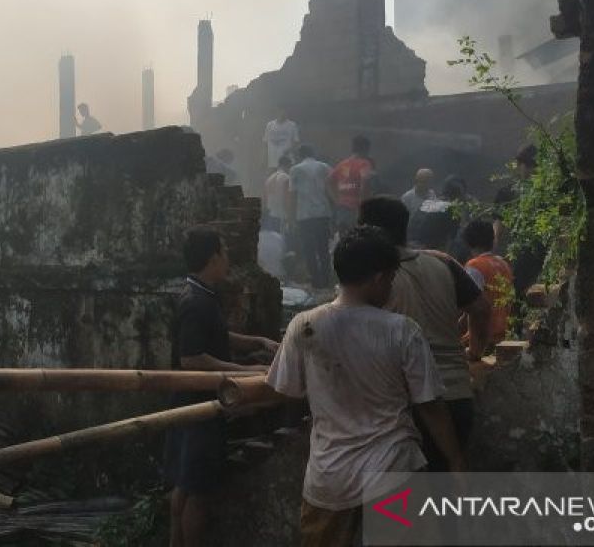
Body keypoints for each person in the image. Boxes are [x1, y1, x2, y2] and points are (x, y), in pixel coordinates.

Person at [267, 226, 466, 547]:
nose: (390, 287)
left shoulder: (304, 326)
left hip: (329, 474)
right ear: (377, 278)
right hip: (393, 471)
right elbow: (430, 406)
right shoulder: (402, 331)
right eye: (389, 279)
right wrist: (455, 460)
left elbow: (285, 391)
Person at [358, 196, 491, 471]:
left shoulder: (372, 278)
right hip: (457, 395)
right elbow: (480, 308)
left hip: (405, 405)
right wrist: (475, 352)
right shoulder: (443, 262)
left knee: (404, 506)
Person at [165, 228, 277, 547]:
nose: (228, 259)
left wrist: (256, 342)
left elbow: (217, 337)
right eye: (225, 253)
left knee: (184, 487)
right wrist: (246, 372)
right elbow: (192, 359)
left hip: (188, 404)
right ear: (213, 258)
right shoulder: (196, 301)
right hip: (198, 407)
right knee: (198, 494)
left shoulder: (200, 294)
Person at [493, 144, 545, 295]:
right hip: (520, 249)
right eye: (528, 165)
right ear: (520, 165)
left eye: (534, 166)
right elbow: (499, 220)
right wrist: (494, 239)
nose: (531, 170)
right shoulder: (508, 192)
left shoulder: (548, 191)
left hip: (542, 248)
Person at [462, 219, 515, 351]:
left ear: (468, 243)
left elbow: (474, 308)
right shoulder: (503, 264)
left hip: (481, 340)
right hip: (504, 335)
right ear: (492, 241)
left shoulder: (474, 266)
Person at [288, 146, 334, 289]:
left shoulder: (295, 170)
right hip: (323, 213)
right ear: (313, 153)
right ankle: (326, 281)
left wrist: (291, 218)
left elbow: (292, 195)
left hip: (304, 215)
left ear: (300, 155)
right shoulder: (325, 167)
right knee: (323, 249)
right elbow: (331, 191)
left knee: (309, 250)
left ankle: (316, 281)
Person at [328, 136, 374, 233]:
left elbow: (328, 182)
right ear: (365, 149)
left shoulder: (342, 164)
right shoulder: (364, 164)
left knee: (344, 239)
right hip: (356, 207)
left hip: (342, 208)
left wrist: (336, 199)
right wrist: (362, 206)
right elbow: (365, 182)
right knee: (358, 239)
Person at [263, 156, 292, 233]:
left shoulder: (269, 178)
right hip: (282, 215)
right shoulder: (286, 178)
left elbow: (265, 199)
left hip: (271, 215)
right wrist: (290, 216)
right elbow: (287, 198)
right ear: (288, 165)